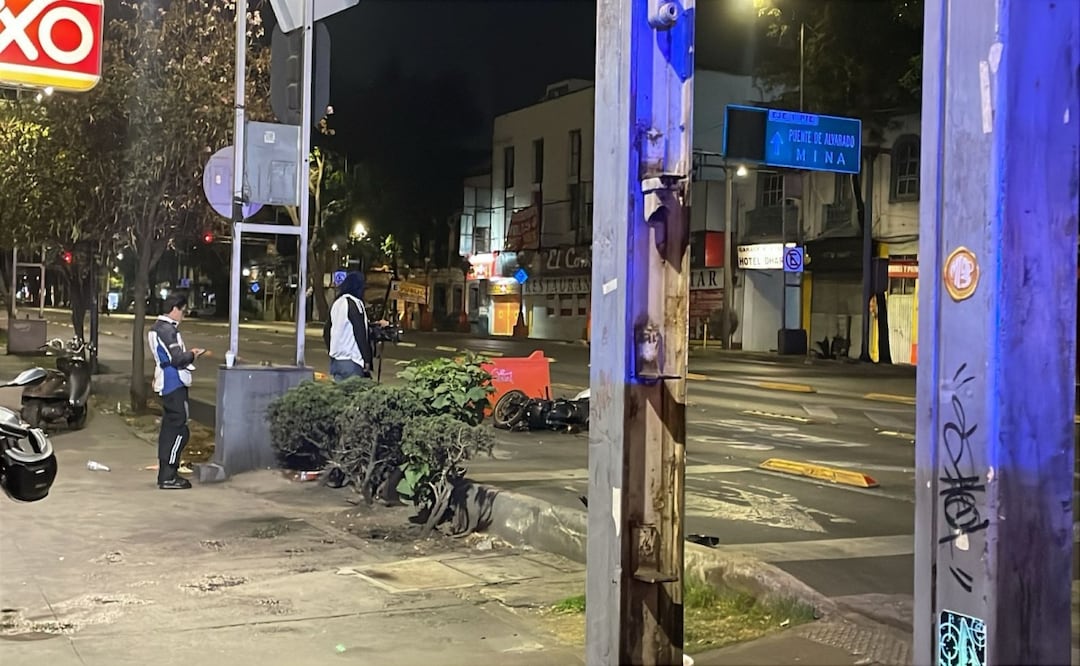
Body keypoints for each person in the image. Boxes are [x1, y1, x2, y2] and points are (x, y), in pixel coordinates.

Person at [148, 293, 205, 490]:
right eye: (183, 311)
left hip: (167, 382)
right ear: (174, 309)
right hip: (173, 382)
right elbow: (177, 358)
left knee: (170, 429)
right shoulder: (166, 330)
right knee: (180, 429)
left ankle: (166, 473)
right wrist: (192, 354)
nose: (184, 315)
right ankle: (169, 474)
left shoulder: (158, 327)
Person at [324, 272, 385, 381]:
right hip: (352, 361)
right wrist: (367, 359)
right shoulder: (355, 304)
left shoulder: (337, 303)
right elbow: (360, 333)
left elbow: (326, 332)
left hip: (337, 362)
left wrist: (333, 350)